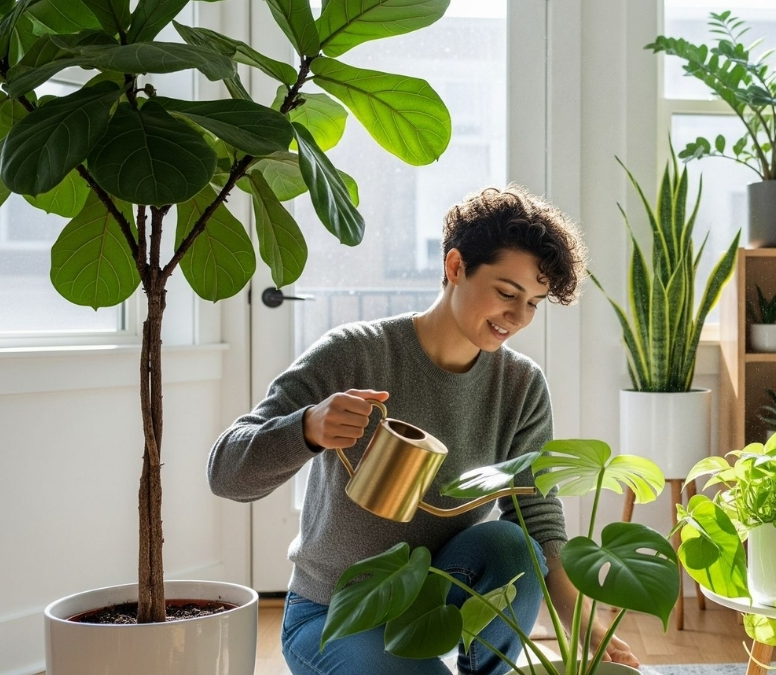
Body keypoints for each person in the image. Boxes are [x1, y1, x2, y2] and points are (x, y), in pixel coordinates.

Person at [207, 186, 637, 675]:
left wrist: (587, 627)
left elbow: (537, 516)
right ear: (455, 267)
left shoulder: (520, 385)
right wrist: (306, 428)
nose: (519, 318)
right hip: (330, 615)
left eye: (534, 303)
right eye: (506, 293)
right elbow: (225, 473)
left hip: (430, 604)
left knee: (513, 546)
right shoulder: (353, 353)